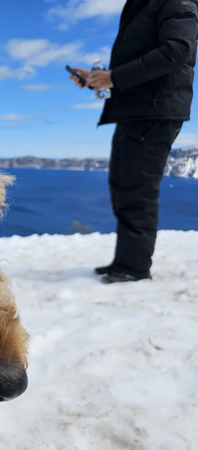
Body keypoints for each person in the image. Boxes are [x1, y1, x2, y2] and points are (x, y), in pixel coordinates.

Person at [69, 0, 198, 284]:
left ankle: (135, 269)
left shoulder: (175, 1)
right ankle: (126, 261)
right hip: (135, 111)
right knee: (122, 187)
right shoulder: (142, 4)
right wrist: (97, 80)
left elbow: (178, 49)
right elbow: (138, 63)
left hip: (154, 111)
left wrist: (113, 77)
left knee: (137, 191)